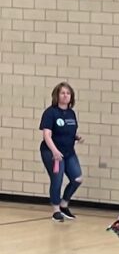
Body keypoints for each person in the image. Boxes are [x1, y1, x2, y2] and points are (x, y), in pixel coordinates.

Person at [39, 82, 83, 223]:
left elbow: (68, 131)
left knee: (77, 179)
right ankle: (56, 210)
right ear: (57, 95)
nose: (65, 95)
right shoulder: (50, 113)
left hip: (68, 152)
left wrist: (76, 137)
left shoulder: (71, 113)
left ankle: (64, 204)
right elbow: (47, 135)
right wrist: (55, 151)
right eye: (62, 93)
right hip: (51, 152)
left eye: (68, 93)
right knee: (57, 179)